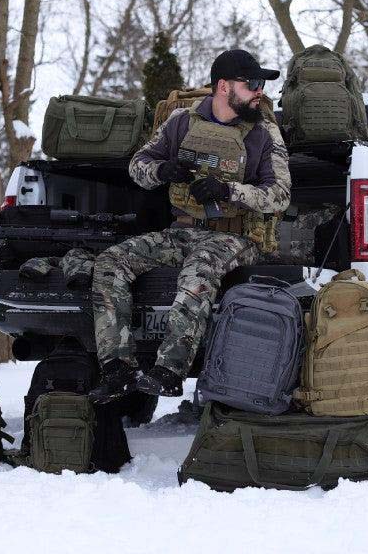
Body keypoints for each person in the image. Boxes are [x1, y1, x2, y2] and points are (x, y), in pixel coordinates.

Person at [89, 49, 292, 402]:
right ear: (224, 86)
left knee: (199, 270)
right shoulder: (182, 121)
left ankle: (170, 371)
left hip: (235, 235)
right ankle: (117, 367)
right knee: (110, 262)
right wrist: (161, 170)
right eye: (253, 83)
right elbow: (138, 165)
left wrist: (230, 190)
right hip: (181, 230)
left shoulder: (264, 133)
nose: (260, 91)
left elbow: (279, 194)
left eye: (261, 84)